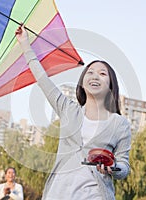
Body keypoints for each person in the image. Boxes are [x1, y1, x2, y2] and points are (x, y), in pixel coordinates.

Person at [15, 25, 131, 200]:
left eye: (102, 74)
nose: (95, 76)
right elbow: (42, 79)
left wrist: (113, 167)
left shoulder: (119, 124)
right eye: (90, 72)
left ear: (111, 85)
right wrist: (25, 44)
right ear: (82, 83)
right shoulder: (68, 109)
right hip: (57, 193)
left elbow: (124, 167)